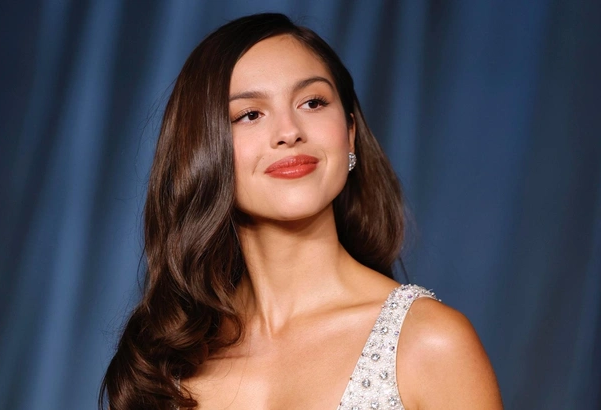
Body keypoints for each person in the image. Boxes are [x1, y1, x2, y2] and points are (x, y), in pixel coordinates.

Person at [100, 13, 502, 410]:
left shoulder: (430, 342)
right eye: (250, 114)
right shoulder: (165, 361)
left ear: (350, 134)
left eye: (312, 102)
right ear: (201, 150)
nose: (289, 132)